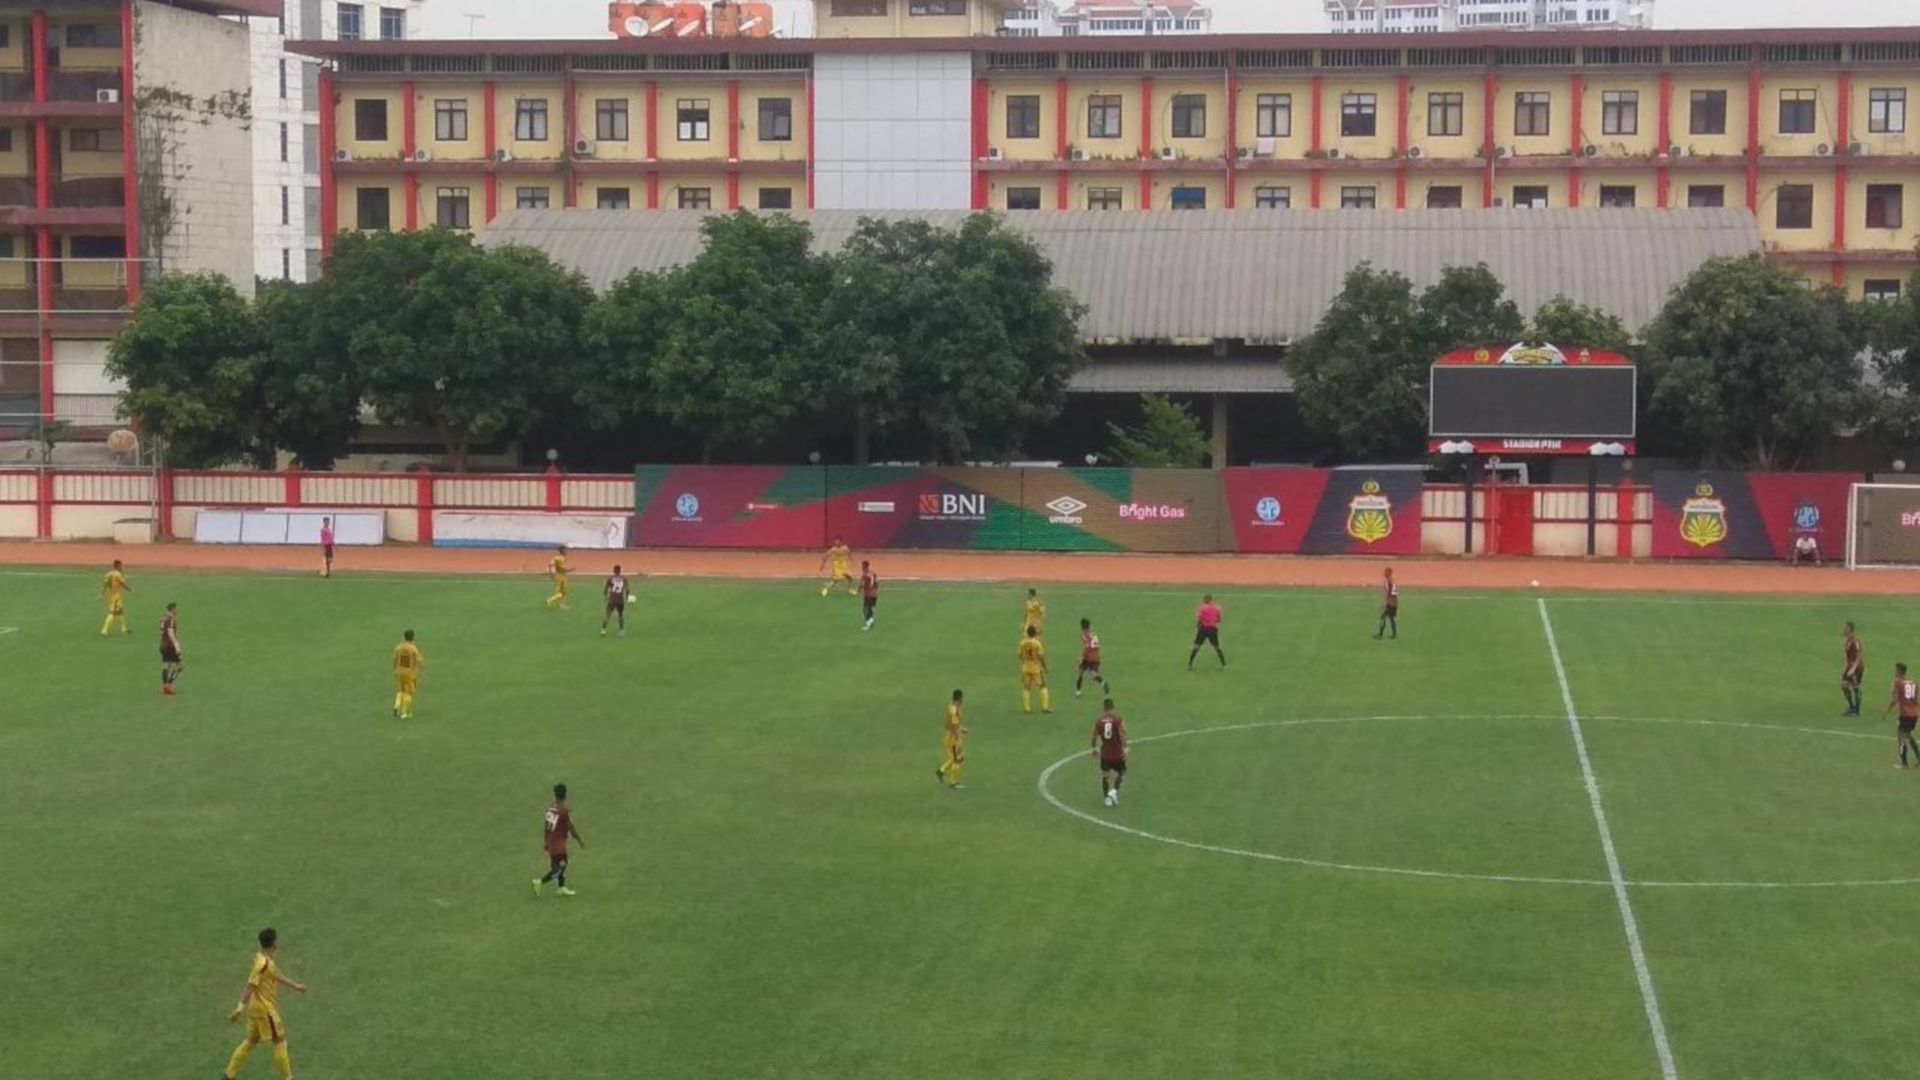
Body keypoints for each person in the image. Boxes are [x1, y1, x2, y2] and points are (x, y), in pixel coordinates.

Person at [221, 927, 306, 1080]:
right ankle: (288, 1078)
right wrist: (239, 1008)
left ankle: (229, 1075)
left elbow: (274, 974)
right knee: (279, 1041)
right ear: (274, 943)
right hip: (265, 1010)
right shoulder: (263, 964)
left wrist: (295, 986)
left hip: (256, 1009)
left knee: (250, 1041)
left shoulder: (262, 958)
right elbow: (250, 985)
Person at [533, 783, 585, 897]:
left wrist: (546, 842)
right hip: (559, 847)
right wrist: (580, 840)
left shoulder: (550, 810)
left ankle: (561, 888)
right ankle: (540, 882)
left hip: (551, 844)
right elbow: (571, 829)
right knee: (560, 868)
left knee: (556, 866)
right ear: (565, 795)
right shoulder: (564, 812)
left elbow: (546, 827)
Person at [1091, 700, 1128, 808]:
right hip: (1117, 753)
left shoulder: (1098, 721)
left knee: (1105, 776)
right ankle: (1114, 791)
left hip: (1105, 753)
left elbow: (1094, 736)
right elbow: (1123, 733)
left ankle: (1107, 799)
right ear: (1113, 707)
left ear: (1104, 708)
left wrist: (1094, 748)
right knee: (1122, 772)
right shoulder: (1118, 720)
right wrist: (1125, 747)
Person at [1888, 662, 1920, 769]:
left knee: (1901, 737)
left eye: (1896, 670)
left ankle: (1904, 763)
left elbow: (1895, 699)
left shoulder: (1898, 683)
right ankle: (1919, 757)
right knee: (1908, 735)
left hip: (1905, 714)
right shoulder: (1914, 683)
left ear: (1899, 672)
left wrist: (1887, 711)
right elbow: (1916, 700)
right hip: (1914, 714)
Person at [936, 690, 968, 790]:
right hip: (953, 738)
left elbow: (953, 724)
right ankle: (953, 783)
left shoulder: (951, 707)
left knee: (955, 758)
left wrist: (961, 728)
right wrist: (958, 740)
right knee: (957, 759)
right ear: (959, 698)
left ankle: (941, 771)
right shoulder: (954, 710)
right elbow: (954, 726)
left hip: (949, 735)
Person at [1019, 625, 1051, 715]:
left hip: (1026, 668)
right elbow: (1041, 657)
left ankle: (1027, 709)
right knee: (1043, 686)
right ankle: (1045, 707)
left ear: (1027, 633)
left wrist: (1024, 661)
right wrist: (1045, 667)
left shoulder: (1022, 643)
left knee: (1026, 687)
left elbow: (1020, 655)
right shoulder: (1037, 643)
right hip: (1036, 668)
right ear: (1035, 633)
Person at [391, 629, 423, 719]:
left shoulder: (398, 647)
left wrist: (395, 670)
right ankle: (404, 713)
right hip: (409, 672)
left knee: (401, 689)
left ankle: (397, 705)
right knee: (409, 692)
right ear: (413, 637)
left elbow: (394, 659)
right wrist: (420, 670)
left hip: (400, 671)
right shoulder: (413, 648)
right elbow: (419, 660)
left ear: (403, 637)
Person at [1188, 594, 1225, 671]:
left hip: (1203, 629)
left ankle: (1190, 665)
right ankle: (1223, 664)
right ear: (1211, 600)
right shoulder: (1217, 608)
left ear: (1204, 600)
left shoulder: (1202, 608)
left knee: (1196, 646)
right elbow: (1219, 619)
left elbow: (1199, 618)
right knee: (1217, 647)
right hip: (1212, 629)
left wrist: (1198, 625)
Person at [1075, 617, 1109, 698]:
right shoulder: (1092, 633)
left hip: (1088, 657)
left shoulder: (1083, 634)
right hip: (1096, 657)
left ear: (1082, 626)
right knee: (1093, 675)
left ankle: (1078, 691)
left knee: (1080, 672)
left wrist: (1082, 657)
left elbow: (1087, 646)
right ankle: (1103, 682)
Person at [100, 559, 132, 637]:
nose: (122, 567)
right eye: (121, 565)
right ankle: (104, 630)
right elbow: (123, 584)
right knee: (112, 613)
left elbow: (106, 584)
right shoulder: (118, 574)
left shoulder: (109, 574)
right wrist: (130, 590)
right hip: (116, 597)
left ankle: (124, 628)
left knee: (120, 612)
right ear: (117, 566)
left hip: (113, 595)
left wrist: (102, 593)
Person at [159, 602, 183, 696]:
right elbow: (170, 632)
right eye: (175, 609)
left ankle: (165, 687)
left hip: (162, 645)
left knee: (166, 665)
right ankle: (168, 684)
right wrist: (176, 645)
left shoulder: (162, 619)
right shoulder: (171, 620)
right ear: (172, 609)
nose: (176, 610)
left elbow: (161, 632)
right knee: (180, 667)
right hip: (170, 646)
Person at [1842, 622, 1865, 717]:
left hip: (1857, 666)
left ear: (1850, 629)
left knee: (1855, 686)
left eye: (1845, 628)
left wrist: (1853, 668)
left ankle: (1857, 710)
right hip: (1850, 666)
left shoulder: (1855, 640)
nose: (1843, 629)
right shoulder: (1848, 640)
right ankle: (1852, 707)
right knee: (1844, 685)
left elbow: (1859, 654)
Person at [602, 565, 631, 637]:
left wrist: (606, 597)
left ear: (614, 570)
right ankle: (621, 631)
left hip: (612, 599)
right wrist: (627, 598)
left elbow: (605, 589)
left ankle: (603, 630)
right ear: (620, 570)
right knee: (620, 615)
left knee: (607, 614)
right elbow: (627, 590)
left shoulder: (610, 578)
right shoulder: (624, 579)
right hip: (620, 600)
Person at [1374, 567, 1400, 640]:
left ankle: (1380, 634)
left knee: (1383, 618)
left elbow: (1390, 594)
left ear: (1388, 573)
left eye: (1385, 573)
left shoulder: (1389, 582)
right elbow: (1395, 593)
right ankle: (1394, 635)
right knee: (1391, 619)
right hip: (1393, 604)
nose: (1384, 574)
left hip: (1391, 604)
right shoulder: (1392, 581)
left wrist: (1386, 603)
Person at [546, 545, 570, 611]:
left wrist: (550, 573)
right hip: (560, 576)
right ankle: (550, 600)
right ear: (562, 551)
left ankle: (561, 605)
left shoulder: (561, 558)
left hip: (563, 576)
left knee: (564, 591)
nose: (567, 551)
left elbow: (550, 564)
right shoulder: (558, 558)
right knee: (560, 592)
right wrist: (550, 573)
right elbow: (551, 565)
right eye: (565, 550)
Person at [859, 560, 879, 631]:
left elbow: (864, 584)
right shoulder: (872, 573)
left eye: (862, 565)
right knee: (871, 608)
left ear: (865, 566)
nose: (861, 567)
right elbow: (876, 583)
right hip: (874, 594)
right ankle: (871, 621)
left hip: (869, 594)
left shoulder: (866, 574)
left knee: (866, 609)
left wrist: (860, 590)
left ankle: (868, 624)